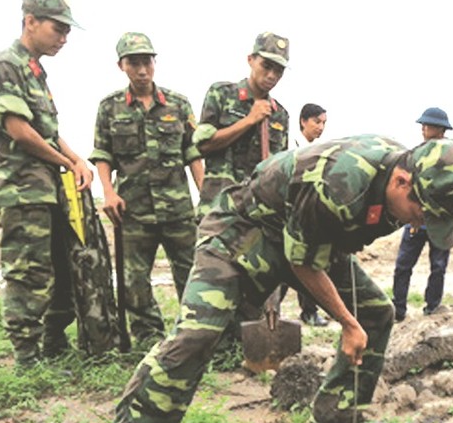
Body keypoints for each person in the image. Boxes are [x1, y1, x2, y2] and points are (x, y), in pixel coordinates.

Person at [85, 136, 453, 423]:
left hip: (304, 238)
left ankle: (336, 415)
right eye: (421, 213)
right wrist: (347, 323)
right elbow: (302, 264)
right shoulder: (340, 181)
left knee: (377, 313)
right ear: (400, 181)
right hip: (240, 233)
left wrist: (356, 318)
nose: (418, 224)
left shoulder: (408, 174)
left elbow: (319, 246)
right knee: (197, 334)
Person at [0, 0, 93, 368]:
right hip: (19, 188)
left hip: (45, 190)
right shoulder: (1, 64)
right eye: (58, 29)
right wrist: (65, 162)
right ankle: (27, 360)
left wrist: (77, 160)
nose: (64, 38)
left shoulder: (34, 72)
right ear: (30, 21)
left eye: (66, 31)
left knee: (61, 269)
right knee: (29, 275)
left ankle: (54, 345)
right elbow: (20, 131)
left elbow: (46, 128)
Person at [90, 32, 203, 348]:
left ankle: (194, 337)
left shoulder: (178, 105)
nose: (142, 70)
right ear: (121, 66)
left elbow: (192, 153)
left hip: (178, 209)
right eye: (134, 63)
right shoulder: (110, 108)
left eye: (147, 62)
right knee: (134, 281)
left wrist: (205, 195)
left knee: (193, 276)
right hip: (134, 210)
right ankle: (149, 339)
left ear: (155, 63)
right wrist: (109, 193)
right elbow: (102, 154)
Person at [193, 31, 291, 216]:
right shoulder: (221, 94)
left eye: (279, 71)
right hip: (219, 211)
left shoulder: (280, 115)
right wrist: (249, 120)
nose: (272, 75)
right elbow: (202, 147)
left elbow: (279, 168)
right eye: (266, 66)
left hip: (259, 214)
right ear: (250, 60)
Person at [391, 107, 453, 321]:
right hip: (414, 220)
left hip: (440, 222)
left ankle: (432, 308)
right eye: (423, 125)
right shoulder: (415, 154)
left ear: (440, 130)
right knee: (403, 266)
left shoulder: (451, 156)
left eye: (427, 126)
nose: (423, 129)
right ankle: (398, 309)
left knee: (438, 267)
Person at [284, 103, 329, 326]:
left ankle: (309, 311)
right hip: (287, 212)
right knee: (282, 265)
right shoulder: (290, 145)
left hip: (308, 215)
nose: (320, 127)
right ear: (303, 121)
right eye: (316, 122)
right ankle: (267, 313)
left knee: (309, 262)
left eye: (323, 123)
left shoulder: (319, 150)